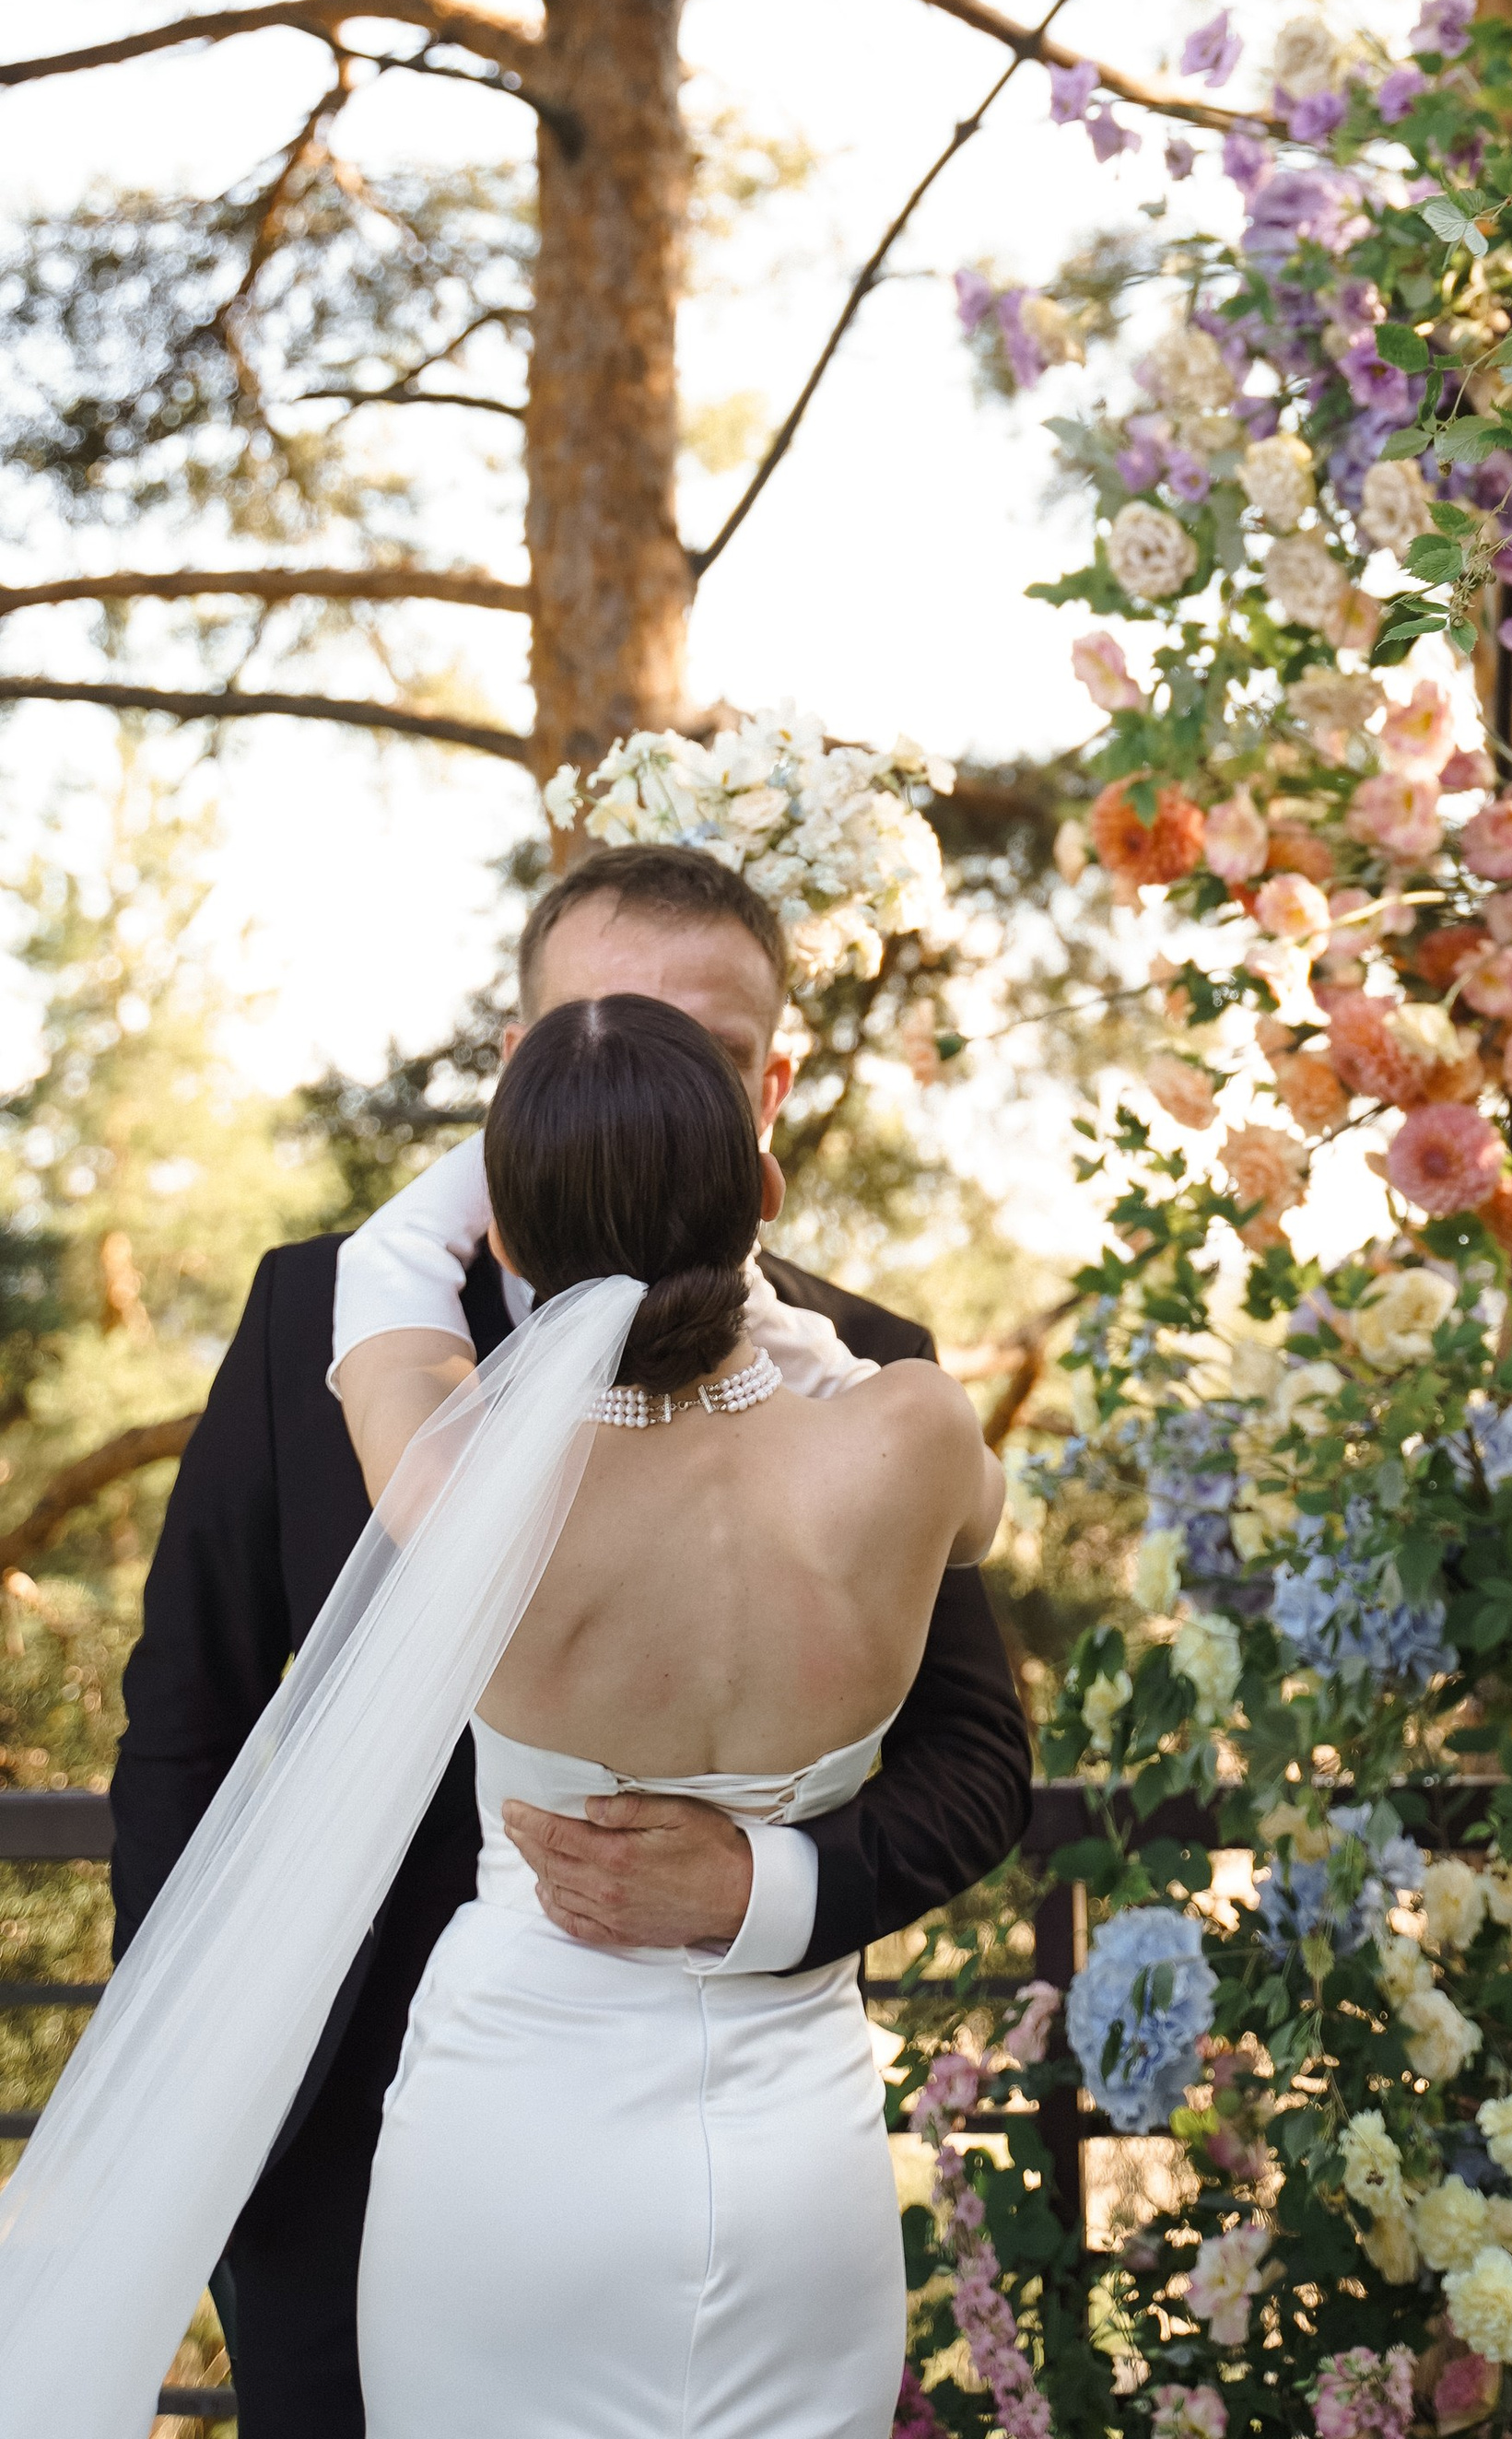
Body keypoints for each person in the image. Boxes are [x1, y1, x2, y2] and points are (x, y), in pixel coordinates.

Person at [109, 844, 1033, 2437]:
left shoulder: (427, 1404)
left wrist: (767, 1887)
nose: (648, 1079)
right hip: (324, 2139)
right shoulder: (899, 1417)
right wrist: (188, 2102)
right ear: (517, 1067)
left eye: (708, 1053)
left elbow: (982, 1759)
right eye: (602, 1035)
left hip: (575, 2128)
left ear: (773, 1086)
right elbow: (185, 1724)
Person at [339, 988, 1004, 2434]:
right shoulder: (915, 1435)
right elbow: (945, 1490)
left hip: (510, 2134)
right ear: (760, 1195)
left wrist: (538, 1133)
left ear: (510, 1243)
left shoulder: (465, 1486)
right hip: (792, 2156)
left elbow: (385, 1269)